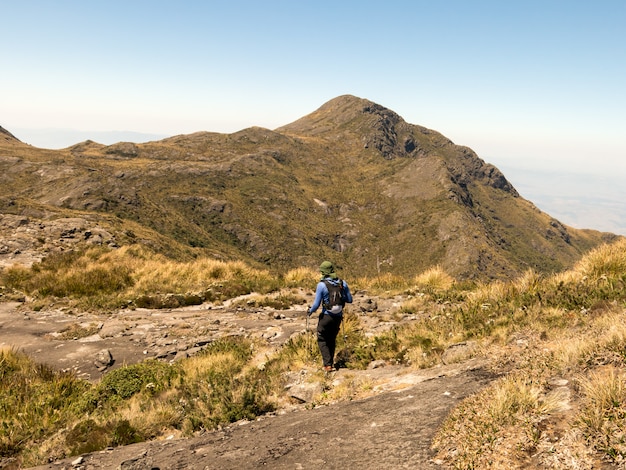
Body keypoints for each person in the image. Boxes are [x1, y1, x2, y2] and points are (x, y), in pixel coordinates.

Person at [307, 261, 353, 372]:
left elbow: (316, 304)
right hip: (338, 317)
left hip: (326, 316)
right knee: (332, 339)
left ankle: (327, 365)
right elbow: (350, 300)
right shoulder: (342, 283)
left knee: (322, 339)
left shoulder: (321, 285)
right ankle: (330, 363)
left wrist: (310, 311)